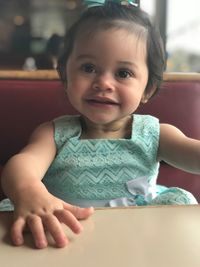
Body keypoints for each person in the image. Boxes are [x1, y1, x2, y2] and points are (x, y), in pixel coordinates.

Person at [1, 0, 200, 249]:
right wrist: (28, 189)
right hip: (67, 234)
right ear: (65, 76)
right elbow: (23, 164)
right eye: (89, 68)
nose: (104, 83)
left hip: (139, 238)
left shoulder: (156, 134)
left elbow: (193, 154)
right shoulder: (54, 134)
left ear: (147, 88)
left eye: (123, 73)